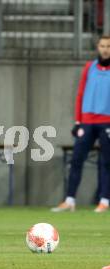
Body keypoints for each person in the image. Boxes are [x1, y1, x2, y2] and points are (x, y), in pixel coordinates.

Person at [51, 35, 110, 213]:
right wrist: (78, 121)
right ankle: (70, 200)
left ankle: (104, 201)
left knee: (106, 162)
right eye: (102, 45)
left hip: (107, 122)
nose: (105, 49)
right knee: (76, 160)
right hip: (87, 122)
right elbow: (81, 94)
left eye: (108, 46)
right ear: (97, 47)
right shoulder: (89, 68)